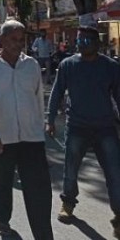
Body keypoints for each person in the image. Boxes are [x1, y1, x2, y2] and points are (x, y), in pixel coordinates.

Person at [0, 20, 53, 239]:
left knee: (39, 191)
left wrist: (40, 130)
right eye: (13, 39)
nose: (18, 44)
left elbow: (39, 101)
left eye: (21, 40)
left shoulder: (31, 65)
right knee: (1, 185)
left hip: (31, 139)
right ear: (1, 40)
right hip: (1, 140)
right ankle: (2, 218)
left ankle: (43, 234)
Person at [47, 26, 120, 239]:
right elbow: (56, 92)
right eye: (79, 40)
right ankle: (68, 204)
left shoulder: (110, 67)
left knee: (115, 174)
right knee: (70, 170)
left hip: (105, 128)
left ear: (97, 43)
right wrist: (50, 119)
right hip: (77, 126)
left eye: (86, 40)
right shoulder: (68, 65)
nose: (81, 43)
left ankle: (118, 216)